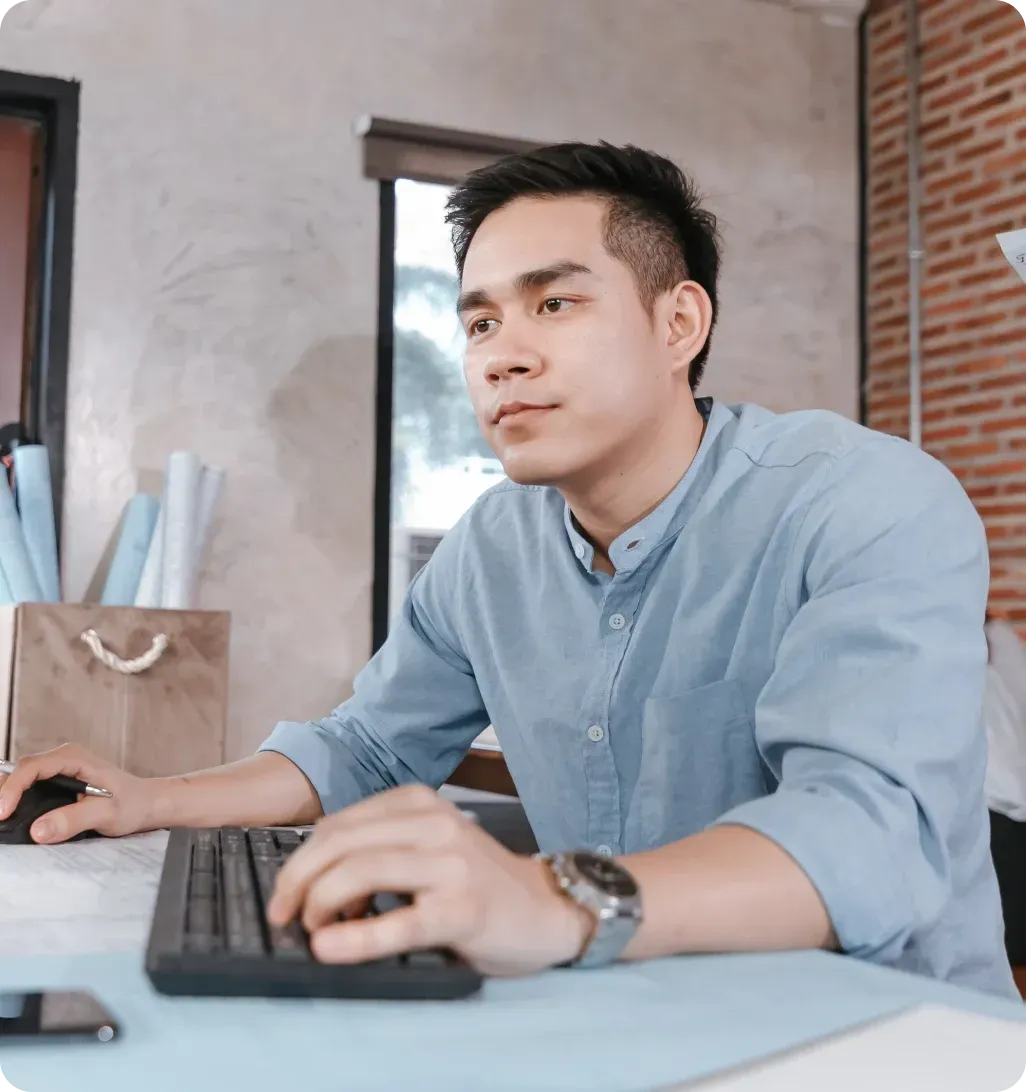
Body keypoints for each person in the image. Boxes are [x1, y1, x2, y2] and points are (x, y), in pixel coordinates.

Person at [0, 142, 1015, 997]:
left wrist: (546, 898)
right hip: (624, 1004)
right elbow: (365, 750)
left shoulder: (866, 500)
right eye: (480, 321)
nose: (499, 356)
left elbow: (868, 840)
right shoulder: (492, 543)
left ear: (679, 325)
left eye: (555, 306)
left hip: (882, 1026)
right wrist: (150, 798)